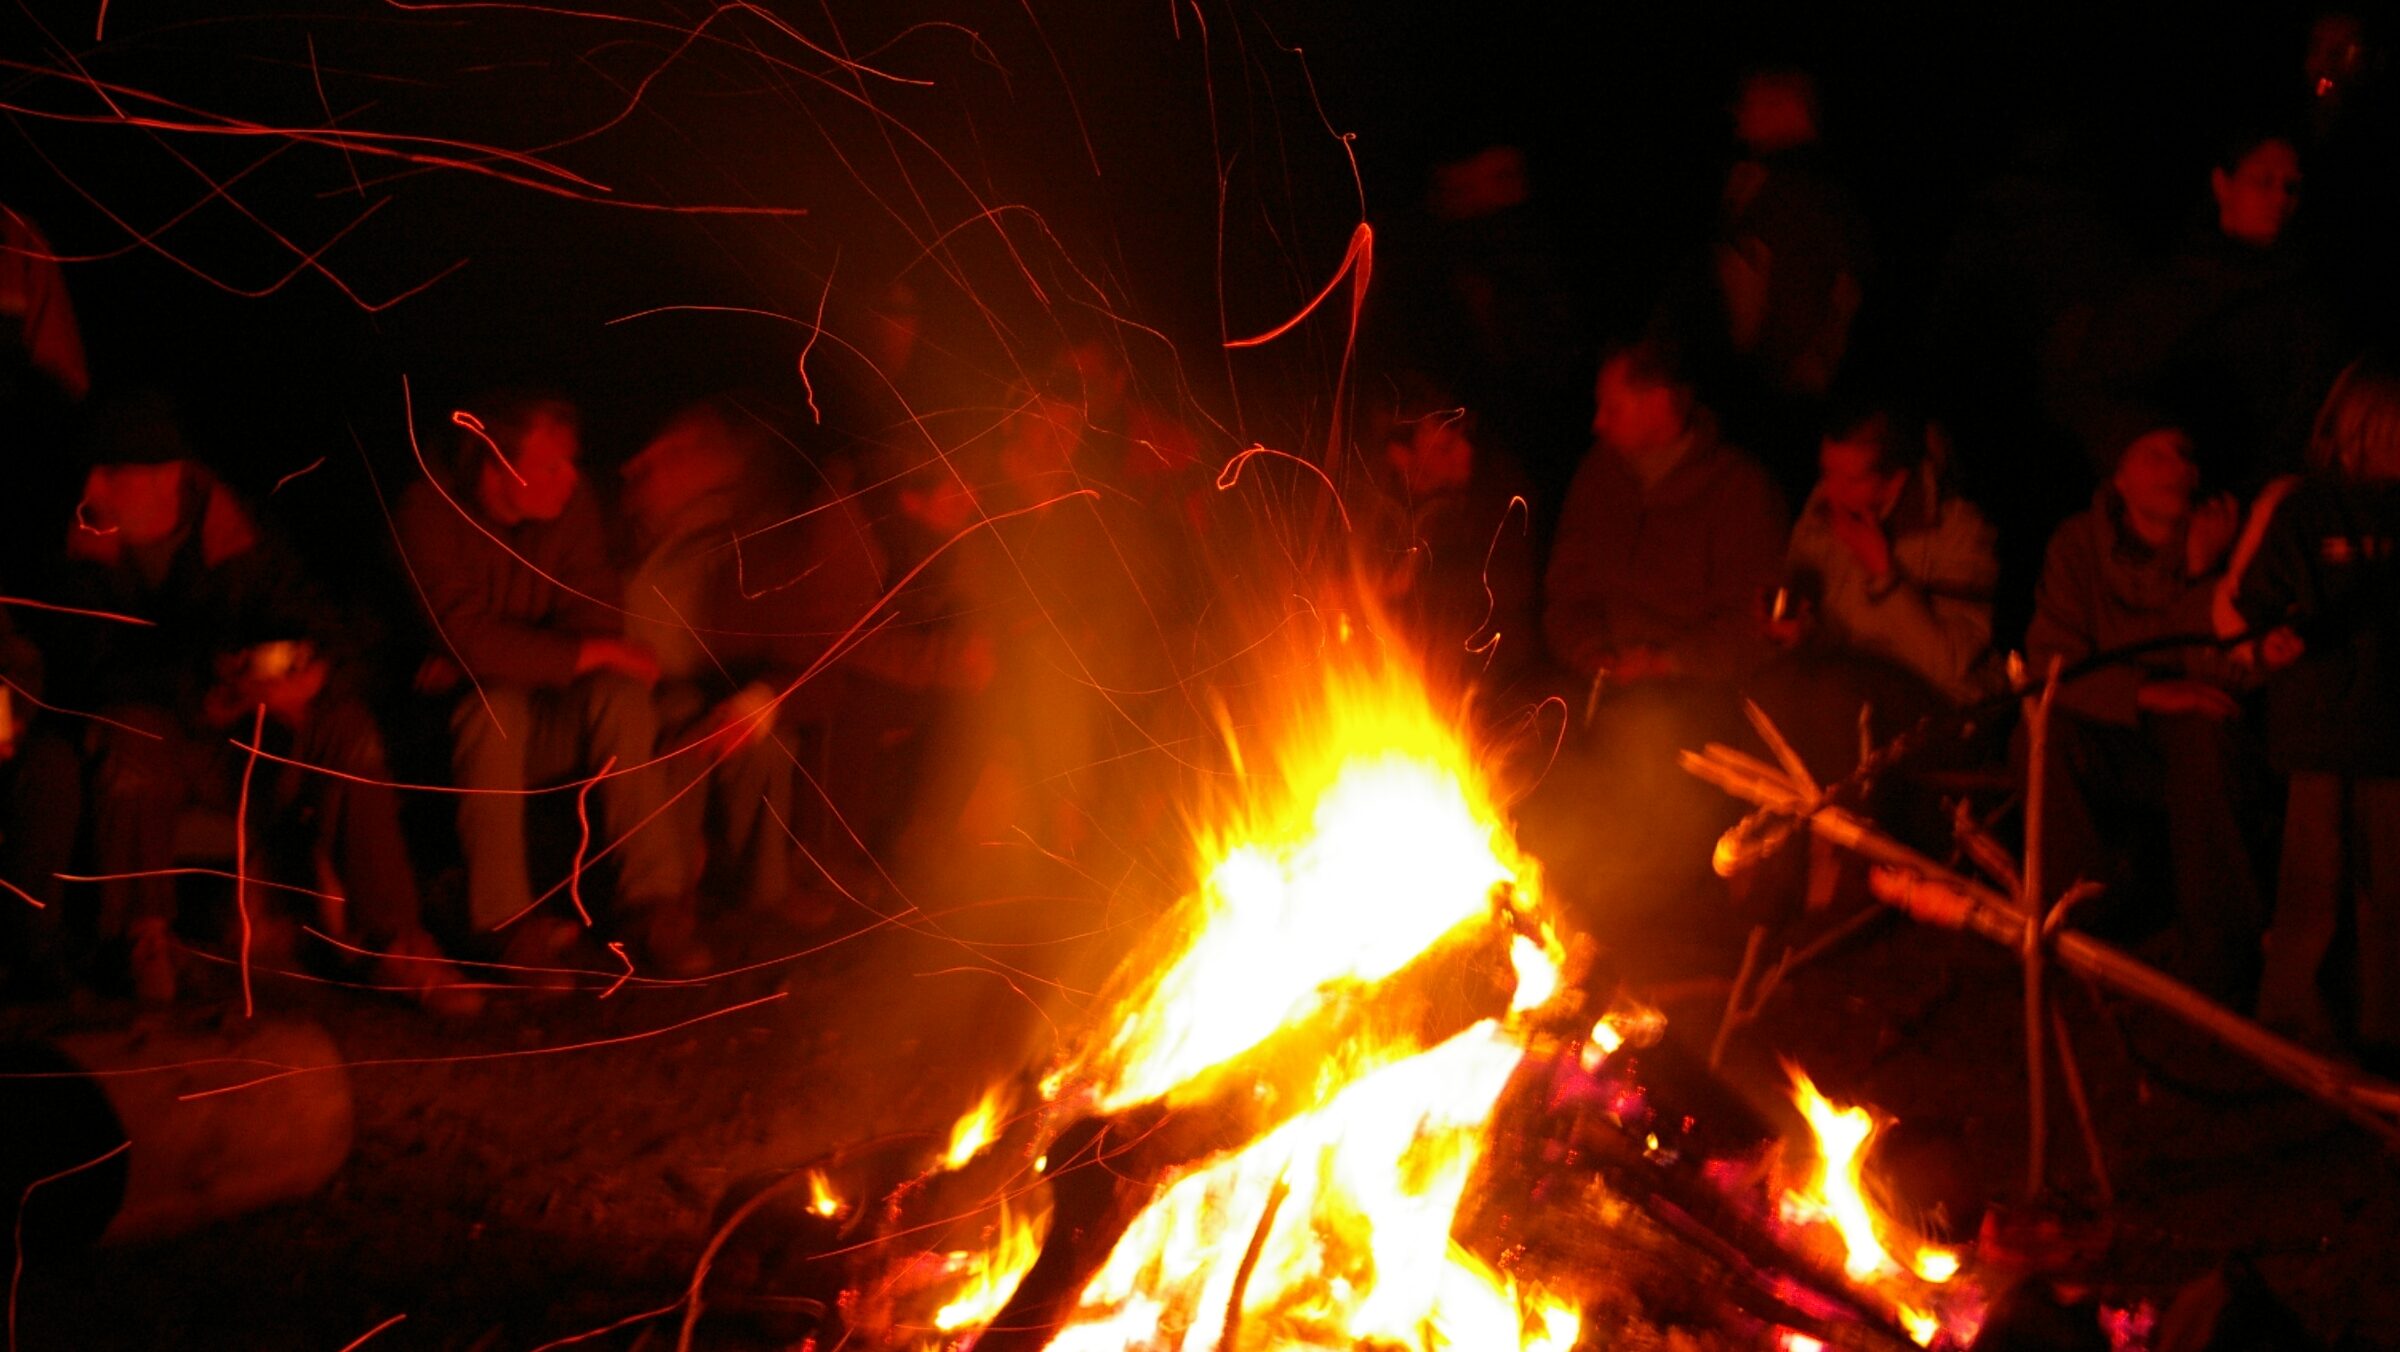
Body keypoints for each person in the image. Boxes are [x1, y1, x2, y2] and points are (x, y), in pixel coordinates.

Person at [28, 392, 477, 1011]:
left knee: (345, 727)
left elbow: (324, 624)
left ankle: (398, 940)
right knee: (131, 731)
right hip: (158, 745)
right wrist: (210, 684)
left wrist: (312, 675)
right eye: (92, 470)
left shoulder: (236, 533)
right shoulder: (78, 548)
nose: (91, 487)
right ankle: (142, 940)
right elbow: (87, 668)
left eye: (112, 472)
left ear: (166, 476)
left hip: (248, 744)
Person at [395, 391, 705, 976]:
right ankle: (505, 924)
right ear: (495, 467)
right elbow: (466, 635)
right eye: (550, 467)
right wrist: (560, 653)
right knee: (495, 705)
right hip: (449, 730)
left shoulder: (571, 506)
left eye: (571, 463)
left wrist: (504, 654)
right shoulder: (426, 511)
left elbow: (594, 614)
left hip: (544, 710)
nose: (570, 480)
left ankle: (652, 904)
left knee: (619, 694)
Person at [2024, 409, 2268, 1004]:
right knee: (2042, 735)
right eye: (2154, 455)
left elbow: (2229, 671)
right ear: (2120, 478)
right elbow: (2050, 663)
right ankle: (2077, 926)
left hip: (2195, 742)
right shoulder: (2078, 546)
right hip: (2115, 733)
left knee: (2204, 727)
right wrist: (2143, 692)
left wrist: (2202, 575)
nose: (2176, 468)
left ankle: (2219, 961)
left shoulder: (2232, 542)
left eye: (2184, 454)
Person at [618, 397, 884, 929]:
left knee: (763, 744)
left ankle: (765, 891)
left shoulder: (765, 527)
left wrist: (756, 703)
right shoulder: (628, 521)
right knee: (673, 729)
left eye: (692, 449)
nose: (665, 462)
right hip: (634, 676)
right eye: (668, 450)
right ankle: (667, 901)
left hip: (715, 675)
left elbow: (812, 646)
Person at [2222, 354, 2400, 1059]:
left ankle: (2385, 1027)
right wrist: (2271, 641)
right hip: (2320, 731)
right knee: (2311, 883)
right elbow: (2255, 602)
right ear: (2359, 432)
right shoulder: (2309, 510)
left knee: (2390, 888)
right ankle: (2294, 1018)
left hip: (2392, 737)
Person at [2060, 128, 2341, 491]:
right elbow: (2093, 388)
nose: (2279, 198)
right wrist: (2152, 452)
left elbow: (2308, 415)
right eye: (2263, 181)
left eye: (2292, 187)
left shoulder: (2305, 302)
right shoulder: (2167, 287)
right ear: (2223, 184)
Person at [1543, 342, 1788, 687]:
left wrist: (1667, 664)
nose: (1598, 423)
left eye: (1612, 409)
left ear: (1658, 405)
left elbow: (1755, 625)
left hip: (1694, 687)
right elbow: (1567, 591)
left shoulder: (1739, 490)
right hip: (1594, 679)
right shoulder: (1597, 475)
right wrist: (1592, 656)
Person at [1356, 373, 1537, 692]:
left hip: (1485, 675)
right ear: (1400, 456)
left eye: (1464, 438)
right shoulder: (1377, 500)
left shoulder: (1500, 496)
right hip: (1395, 670)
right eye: (1446, 447)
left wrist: (1402, 584)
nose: (1465, 452)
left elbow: (1501, 592)